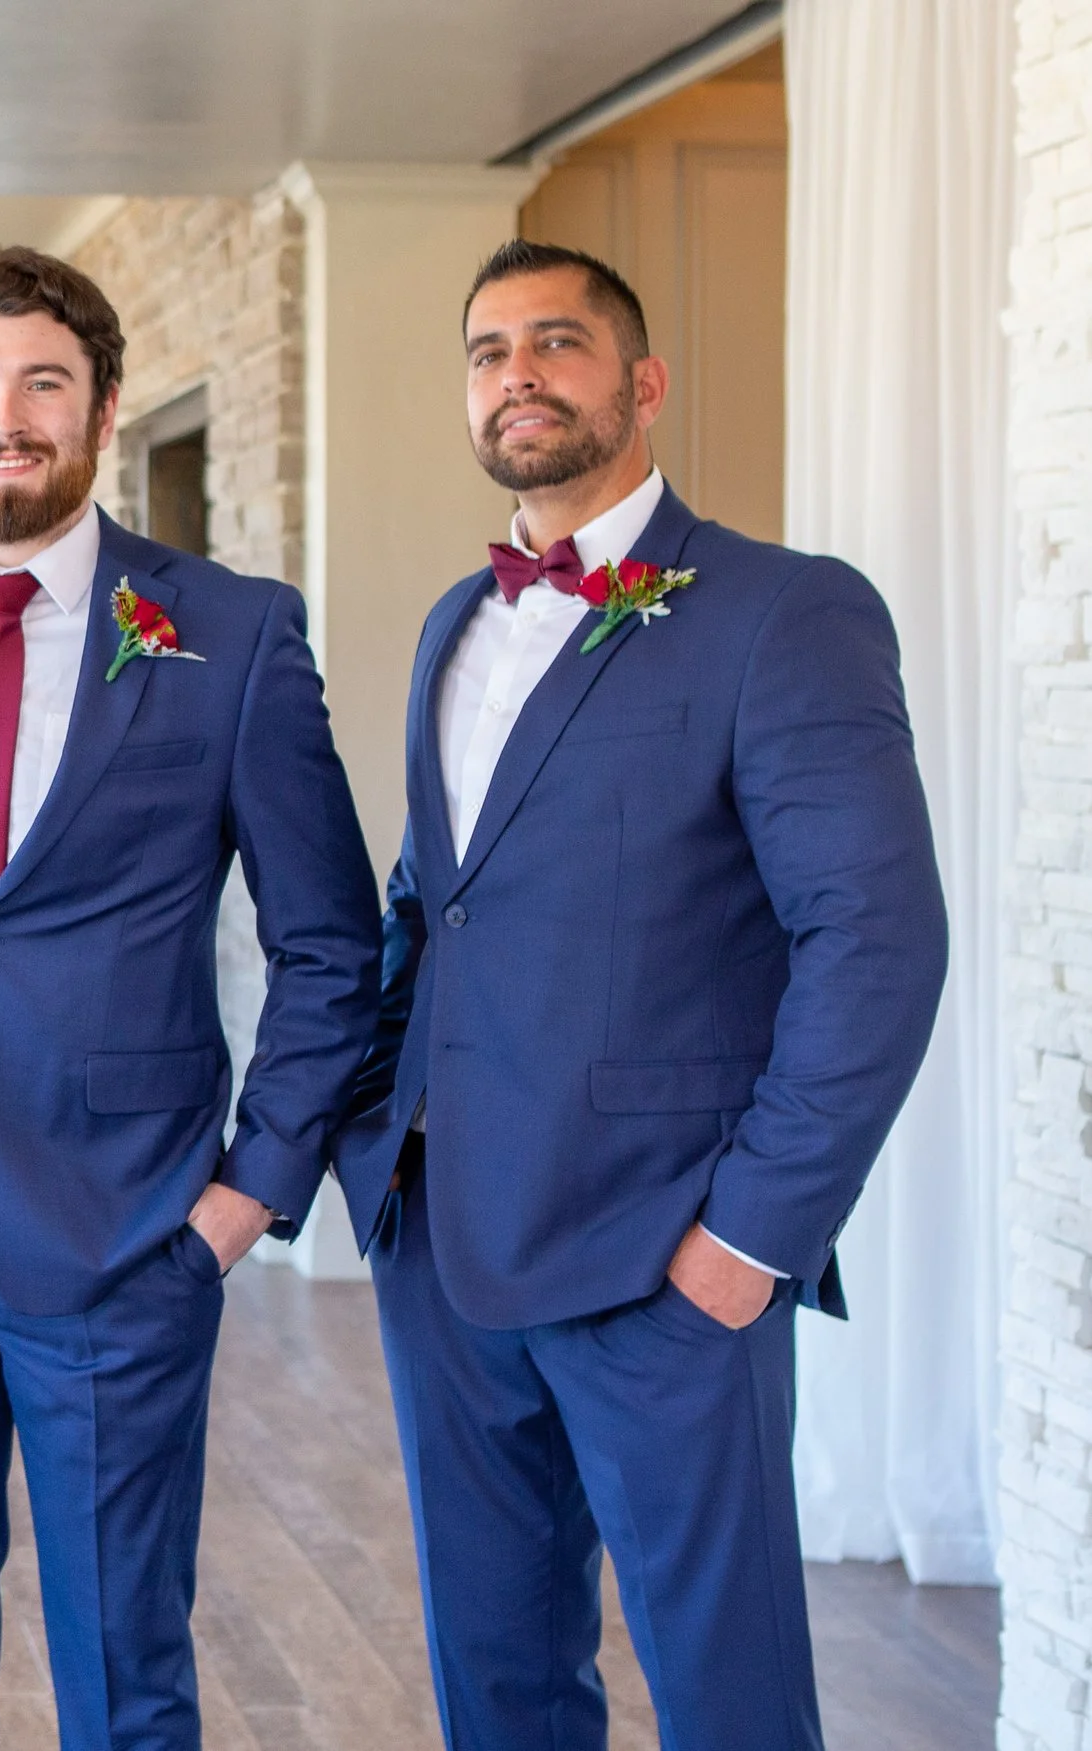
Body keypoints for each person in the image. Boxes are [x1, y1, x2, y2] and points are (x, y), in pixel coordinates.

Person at [329, 238, 948, 1750]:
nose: (517, 375)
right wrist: (376, 1139)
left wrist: (752, 1237)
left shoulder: (782, 614)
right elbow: (432, 905)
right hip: (450, 1247)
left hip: (666, 1261)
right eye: (488, 352)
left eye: (557, 343)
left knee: (726, 1693)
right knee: (500, 1679)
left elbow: (877, 939)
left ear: (643, 383)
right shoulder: (448, 630)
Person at [0, 246, 382, 1750]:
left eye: (43, 382)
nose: (8, 416)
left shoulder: (231, 633)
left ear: (103, 408)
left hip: (128, 1239)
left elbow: (329, 939)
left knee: (127, 1665)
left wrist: (248, 1196)